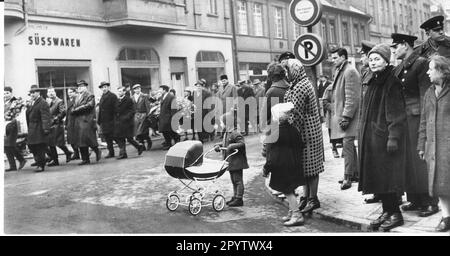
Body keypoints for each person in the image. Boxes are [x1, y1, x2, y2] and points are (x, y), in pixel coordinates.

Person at [358, 44, 411, 232]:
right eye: (371, 59)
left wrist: (393, 137)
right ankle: (387, 211)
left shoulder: (392, 81)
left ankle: (395, 213)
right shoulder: (373, 80)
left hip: (385, 139)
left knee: (387, 178)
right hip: (372, 138)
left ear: (386, 60)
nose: (373, 62)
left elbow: (397, 113)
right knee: (377, 177)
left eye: (377, 59)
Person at [391, 33, 438, 217]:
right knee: (409, 161)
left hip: (417, 118)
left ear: (405, 45)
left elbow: (426, 95)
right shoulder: (400, 67)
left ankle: (430, 202)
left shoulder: (420, 63)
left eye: (396, 47)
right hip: (405, 119)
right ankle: (415, 199)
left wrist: (425, 123)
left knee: (421, 160)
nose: (394, 50)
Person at [281, 58, 324, 215]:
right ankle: (307, 198)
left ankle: (313, 199)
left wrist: (289, 130)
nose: (286, 74)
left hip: (307, 131)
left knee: (311, 167)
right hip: (309, 129)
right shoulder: (301, 83)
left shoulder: (300, 86)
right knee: (306, 167)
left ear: (295, 70)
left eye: (288, 70)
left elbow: (296, 113)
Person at [418, 55, 450, 232]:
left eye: (431, 68)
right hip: (433, 146)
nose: (428, 72)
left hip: (448, 146)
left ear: (442, 71)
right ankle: (446, 217)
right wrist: (421, 144)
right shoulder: (429, 92)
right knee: (439, 183)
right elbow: (423, 120)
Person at [264, 102, 305, 226]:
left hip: (282, 166)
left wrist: (267, 167)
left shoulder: (275, 132)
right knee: (290, 189)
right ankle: (292, 211)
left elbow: (272, 154)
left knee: (287, 191)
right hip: (294, 164)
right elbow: (300, 145)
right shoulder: (293, 129)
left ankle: (297, 214)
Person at [328, 48, 361, 190]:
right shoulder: (341, 70)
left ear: (343, 57)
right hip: (344, 115)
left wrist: (346, 116)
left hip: (348, 116)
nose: (332, 60)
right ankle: (356, 173)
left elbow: (351, 96)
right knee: (349, 145)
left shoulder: (349, 71)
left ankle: (348, 176)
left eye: (335, 58)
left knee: (347, 146)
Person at [359, 40, 380, 204]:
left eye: (362, 55)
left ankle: (388, 194)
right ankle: (378, 192)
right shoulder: (366, 72)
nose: (361, 59)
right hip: (367, 118)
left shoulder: (373, 73)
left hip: (374, 120)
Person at [214, 111, 249, 207]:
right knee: (234, 180)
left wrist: (232, 146)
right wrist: (219, 145)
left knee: (238, 180)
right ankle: (235, 196)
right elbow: (225, 144)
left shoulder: (235, 132)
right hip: (231, 161)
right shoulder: (227, 133)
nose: (221, 124)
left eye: (222, 122)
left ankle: (239, 198)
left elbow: (242, 143)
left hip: (237, 161)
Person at [71, 80, 101, 165]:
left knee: (88, 139)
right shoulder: (77, 96)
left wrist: (77, 109)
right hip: (79, 120)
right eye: (78, 87)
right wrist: (74, 109)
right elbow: (74, 106)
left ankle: (96, 150)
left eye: (81, 86)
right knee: (81, 141)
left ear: (85, 87)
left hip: (86, 120)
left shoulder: (89, 95)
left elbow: (89, 105)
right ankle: (85, 159)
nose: (79, 88)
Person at [114, 86, 144, 159]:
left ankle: (139, 146)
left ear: (124, 92)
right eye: (118, 91)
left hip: (127, 123)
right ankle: (123, 154)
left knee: (129, 138)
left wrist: (126, 117)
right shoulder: (117, 100)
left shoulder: (128, 100)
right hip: (119, 123)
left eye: (121, 91)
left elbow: (132, 111)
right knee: (120, 138)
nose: (119, 93)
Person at [26, 85, 51, 172]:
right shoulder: (32, 102)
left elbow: (45, 117)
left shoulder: (42, 102)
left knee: (39, 147)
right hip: (32, 128)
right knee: (32, 146)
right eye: (31, 93)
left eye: (34, 92)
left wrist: (46, 129)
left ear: (38, 93)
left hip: (39, 128)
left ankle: (41, 165)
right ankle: (40, 161)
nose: (32, 94)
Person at [46, 87, 73, 166]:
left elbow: (63, 112)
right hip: (50, 125)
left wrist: (55, 119)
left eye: (52, 91)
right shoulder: (47, 102)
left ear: (55, 92)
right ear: (47, 94)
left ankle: (68, 153)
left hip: (57, 124)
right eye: (49, 92)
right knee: (51, 144)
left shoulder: (59, 101)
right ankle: (55, 160)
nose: (51, 93)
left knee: (59, 143)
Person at [4, 86, 27, 171]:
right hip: (4, 126)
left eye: (7, 93)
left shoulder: (16, 101)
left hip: (12, 125)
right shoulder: (3, 102)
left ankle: (21, 159)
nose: (5, 95)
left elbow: (16, 113)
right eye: (4, 94)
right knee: (5, 146)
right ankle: (12, 166)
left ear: (11, 93)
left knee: (10, 144)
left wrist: (6, 116)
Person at [97, 82, 118, 158]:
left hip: (111, 120)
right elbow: (100, 109)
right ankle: (111, 152)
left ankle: (123, 151)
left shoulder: (112, 96)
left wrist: (115, 120)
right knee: (107, 138)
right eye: (102, 87)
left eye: (105, 87)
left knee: (115, 137)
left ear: (108, 87)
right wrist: (99, 120)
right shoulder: (102, 96)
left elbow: (116, 109)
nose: (104, 89)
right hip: (104, 121)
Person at [158, 85, 180, 150]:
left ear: (164, 90)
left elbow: (174, 108)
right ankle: (168, 144)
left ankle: (177, 142)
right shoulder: (162, 97)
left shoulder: (171, 97)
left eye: (160, 89)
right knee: (165, 131)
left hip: (169, 117)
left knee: (171, 131)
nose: (159, 91)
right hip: (163, 117)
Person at [132, 84, 152, 150]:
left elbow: (148, 106)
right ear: (134, 90)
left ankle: (149, 141)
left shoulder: (144, 96)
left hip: (143, 115)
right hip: (136, 116)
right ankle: (142, 145)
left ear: (140, 89)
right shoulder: (132, 97)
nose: (137, 90)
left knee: (143, 131)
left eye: (138, 88)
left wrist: (148, 115)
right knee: (138, 132)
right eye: (135, 89)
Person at [66, 88, 80, 160]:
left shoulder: (77, 100)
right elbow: (67, 113)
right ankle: (76, 153)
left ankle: (78, 153)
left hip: (75, 121)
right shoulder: (69, 101)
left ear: (75, 92)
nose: (69, 94)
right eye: (68, 92)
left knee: (76, 139)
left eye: (71, 92)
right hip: (70, 122)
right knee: (71, 140)